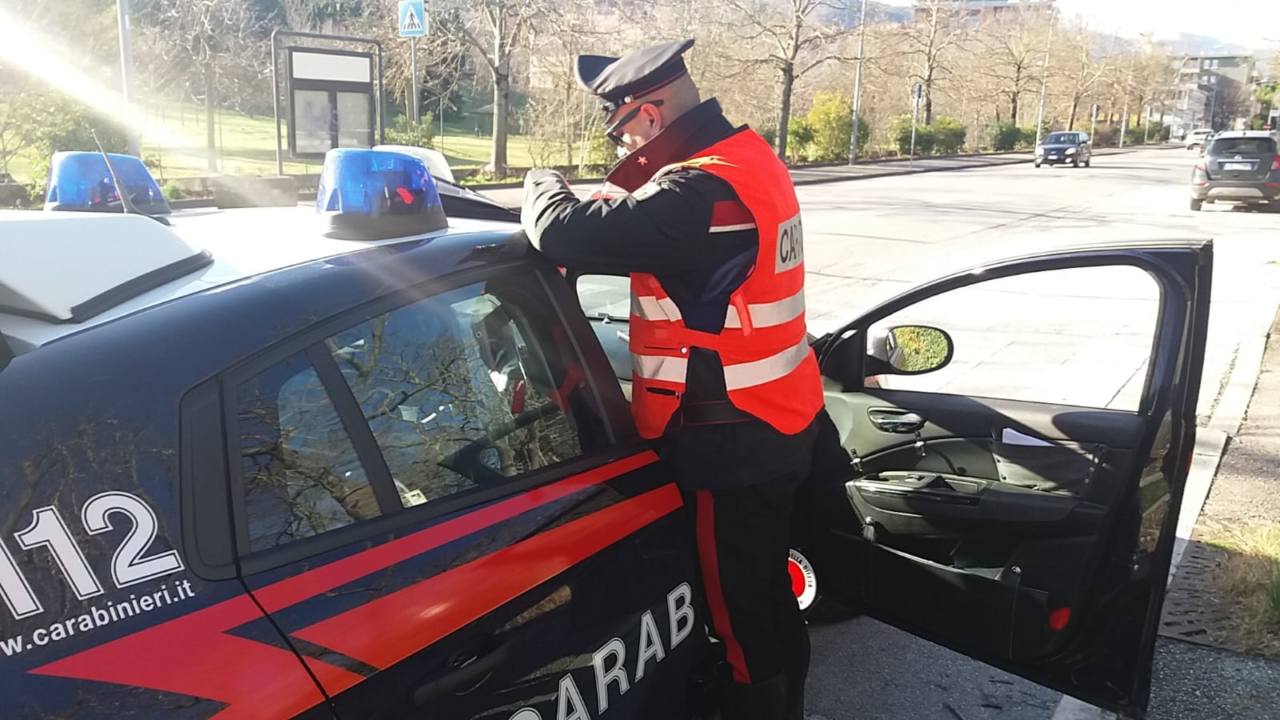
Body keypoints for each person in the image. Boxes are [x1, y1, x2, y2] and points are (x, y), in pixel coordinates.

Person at [519, 39, 823, 720]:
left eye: (622, 127)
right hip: (778, 419)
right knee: (764, 603)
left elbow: (561, 231)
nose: (623, 145)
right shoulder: (749, 160)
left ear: (650, 115)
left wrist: (539, 178)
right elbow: (650, 231)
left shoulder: (699, 190)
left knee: (739, 621)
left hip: (728, 447)